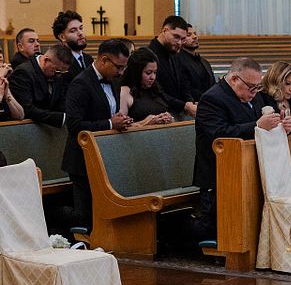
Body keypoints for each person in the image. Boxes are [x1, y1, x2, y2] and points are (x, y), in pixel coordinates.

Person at [192, 58, 282, 244]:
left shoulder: (253, 95)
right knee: (207, 229)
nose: (254, 92)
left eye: (258, 87)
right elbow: (219, 135)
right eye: (251, 87)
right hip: (219, 174)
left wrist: (279, 126)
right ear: (234, 79)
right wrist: (258, 125)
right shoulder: (212, 99)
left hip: (251, 168)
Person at [62, 38, 132, 230]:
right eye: (118, 67)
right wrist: (110, 123)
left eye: (123, 67)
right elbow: (74, 125)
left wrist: (119, 120)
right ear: (103, 60)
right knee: (84, 216)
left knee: (101, 212)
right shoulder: (81, 84)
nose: (121, 72)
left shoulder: (114, 82)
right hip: (82, 159)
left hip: (105, 156)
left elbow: (107, 112)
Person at [9, 44, 71, 128]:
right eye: (56, 70)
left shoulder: (57, 73)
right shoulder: (23, 73)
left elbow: (61, 100)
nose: (58, 75)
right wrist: (59, 118)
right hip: (28, 129)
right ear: (46, 60)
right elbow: (27, 109)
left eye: (62, 72)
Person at [145, 15, 196, 116]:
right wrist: (184, 106)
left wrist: (189, 101)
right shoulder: (148, 54)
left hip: (177, 111)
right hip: (159, 113)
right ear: (165, 31)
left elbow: (183, 82)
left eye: (183, 39)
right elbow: (155, 91)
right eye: (176, 37)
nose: (179, 43)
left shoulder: (174, 51)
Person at [118, 48, 174, 126]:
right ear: (136, 72)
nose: (153, 77)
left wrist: (169, 118)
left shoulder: (155, 89)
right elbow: (121, 128)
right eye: (148, 73)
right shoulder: (124, 92)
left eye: (155, 72)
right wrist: (145, 123)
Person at [178, 25, 216, 101]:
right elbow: (185, 89)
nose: (194, 37)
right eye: (189, 35)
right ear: (180, 39)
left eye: (195, 33)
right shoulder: (178, 61)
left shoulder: (204, 62)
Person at [52, 10, 91, 78]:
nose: (80, 33)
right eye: (73, 31)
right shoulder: (60, 62)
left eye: (81, 28)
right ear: (62, 37)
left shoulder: (88, 59)